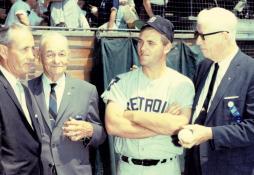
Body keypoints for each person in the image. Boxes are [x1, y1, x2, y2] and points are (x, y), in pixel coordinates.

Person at [101, 15, 195, 175]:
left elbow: (178, 125)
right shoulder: (121, 81)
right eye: (140, 41)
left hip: (165, 168)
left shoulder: (182, 84)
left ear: (167, 47)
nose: (142, 48)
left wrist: (132, 115)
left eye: (151, 43)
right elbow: (113, 126)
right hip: (128, 168)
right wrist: (162, 122)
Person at [178, 7, 254, 175]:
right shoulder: (204, 66)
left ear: (224, 36)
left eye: (203, 36)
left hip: (227, 168)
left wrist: (210, 133)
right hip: (194, 164)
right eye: (197, 35)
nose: (198, 42)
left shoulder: (250, 72)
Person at [28, 31, 106, 175]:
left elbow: (101, 135)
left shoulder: (87, 91)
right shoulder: (26, 91)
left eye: (62, 54)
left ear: (68, 56)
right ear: (39, 57)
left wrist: (90, 130)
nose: (56, 60)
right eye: (50, 54)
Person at [0, 24, 42, 174]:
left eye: (32, 49)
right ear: (4, 51)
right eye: (25, 49)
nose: (31, 56)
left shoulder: (22, 89)